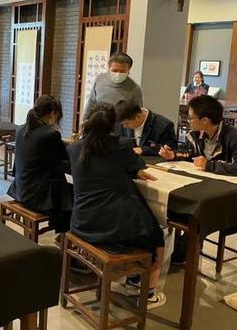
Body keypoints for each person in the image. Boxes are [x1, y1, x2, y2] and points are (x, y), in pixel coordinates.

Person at [68, 103, 166, 309]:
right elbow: (138, 167)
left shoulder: (74, 148)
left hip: (81, 222)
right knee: (156, 235)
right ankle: (149, 294)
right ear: (114, 125)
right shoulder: (120, 146)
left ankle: (133, 279)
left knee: (140, 225)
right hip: (112, 226)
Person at [7, 95, 73, 233]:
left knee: (62, 186)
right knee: (73, 193)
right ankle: (63, 234)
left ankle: (60, 232)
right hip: (36, 196)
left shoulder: (21, 129)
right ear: (53, 113)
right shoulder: (50, 134)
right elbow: (62, 164)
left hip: (20, 188)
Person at [159, 95, 237, 176]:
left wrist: (209, 165)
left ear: (205, 120)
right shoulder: (195, 135)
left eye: (191, 118)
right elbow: (190, 156)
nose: (188, 121)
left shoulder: (233, 138)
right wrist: (173, 155)